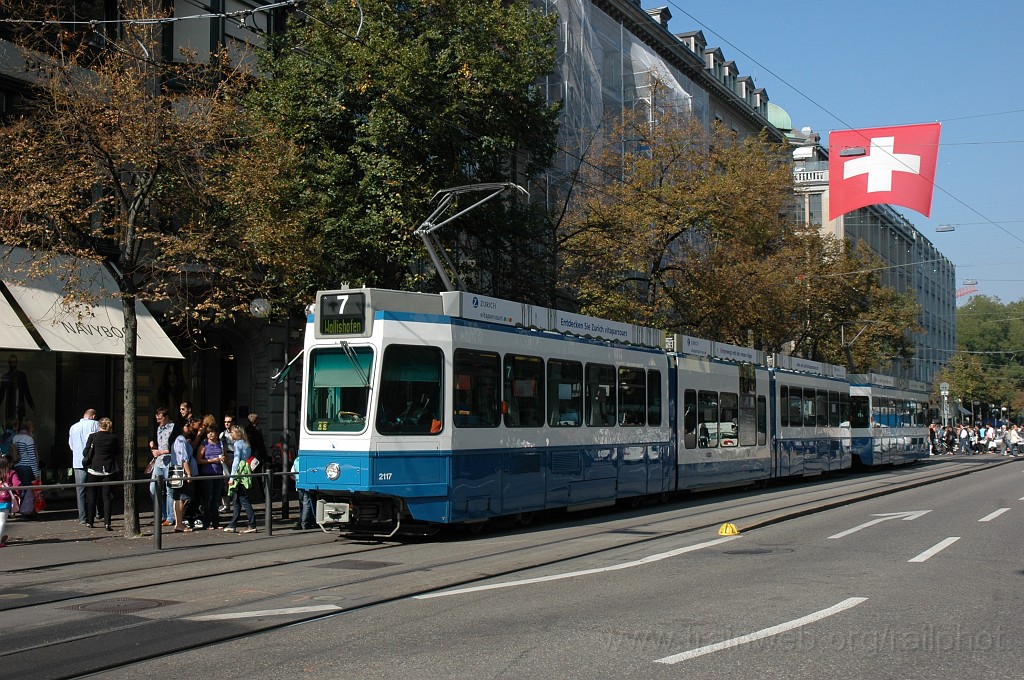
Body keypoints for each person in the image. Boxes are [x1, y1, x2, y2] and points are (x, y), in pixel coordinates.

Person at [83, 417, 120, 531]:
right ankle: (107, 523)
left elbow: (85, 452)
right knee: (106, 496)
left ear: (99, 425)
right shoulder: (113, 438)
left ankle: (90, 521)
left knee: (91, 495)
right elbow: (117, 452)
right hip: (108, 469)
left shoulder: (93, 436)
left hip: (94, 468)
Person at [69, 408, 99, 525]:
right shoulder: (96, 425)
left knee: (80, 490)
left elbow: (71, 445)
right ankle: (97, 512)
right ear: (93, 416)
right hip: (92, 461)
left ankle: (82, 517)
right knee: (94, 488)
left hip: (77, 461)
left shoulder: (73, 427)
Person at [149, 407, 179, 525]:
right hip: (159, 461)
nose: (158, 420)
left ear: (166, 417)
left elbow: (175, 447)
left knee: (169, 490)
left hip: (169, 461)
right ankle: (161, 514)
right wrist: (153, 445)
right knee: (153, 488)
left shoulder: (174, 428)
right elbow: (156, 441)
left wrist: (161, 452)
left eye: (160, 418)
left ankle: (170, 517)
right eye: (157, 418)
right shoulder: (158, 428)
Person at [224, 425, 257, 533]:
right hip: (246, 472)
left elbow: (236, 461)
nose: (231, 434)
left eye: (232, 432)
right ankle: (233, 524)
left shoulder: (238, 444)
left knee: (243, 499)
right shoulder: (246, 443)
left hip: (239, 473)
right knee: (237, 500)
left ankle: (252, 524)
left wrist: (232, 477)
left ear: (238, 433)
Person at [195, 428, 225, 530]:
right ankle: (207, 523)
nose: (210, 434)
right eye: (208, 432)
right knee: (208, 498)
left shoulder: (220, 444)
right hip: (208, 474)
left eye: (212, 432)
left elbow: (226, 457)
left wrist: (223, 459)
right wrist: (212, 460)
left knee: (217, 499)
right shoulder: (204, 444)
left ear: (217, 433)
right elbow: (199, 460)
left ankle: (216, 522)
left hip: (219, 474)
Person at [169, 422, 196, 533]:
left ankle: (179, 522)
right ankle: (179, 523)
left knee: (179, 497)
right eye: (186, 426)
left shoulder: (181, 440)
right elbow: (184, 458)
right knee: (181, 497)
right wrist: (189, 473)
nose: (189, 428)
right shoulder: (180, 439)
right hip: (181, 472)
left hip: (179, 471)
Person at [12, 421, 39, 519]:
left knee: (20, 488)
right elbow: (32, 457)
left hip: (17, 466)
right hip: (27, 467)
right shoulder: (28, 439)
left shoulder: (15, 437)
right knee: (28, 490)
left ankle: (19, 508)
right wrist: (36, 472)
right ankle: (26, 511)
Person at [0, 354, 35, 424]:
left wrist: (32, 406)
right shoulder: (6, 377)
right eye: (11, 362)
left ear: (16, 363)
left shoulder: (21, 375)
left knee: (19, 424)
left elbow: (26, 391)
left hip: (19, 406)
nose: (13, 364)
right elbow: (1, 394)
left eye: (14, 362)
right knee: (10, 425)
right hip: (10, 406)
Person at [0, 456, 21, 547]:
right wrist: (17, 493)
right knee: (1, 521)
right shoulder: (11, 473)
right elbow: (17, 485)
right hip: (5, 500)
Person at [218, 414, 237, 513]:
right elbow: (221, 447)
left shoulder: (236, 434)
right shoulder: (222, 434)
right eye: (225, 422)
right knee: (225, 482)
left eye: (228, 422)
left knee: (235, 481)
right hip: (225, 458)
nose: (227, 424)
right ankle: (226, 505)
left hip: (235, 457)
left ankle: (236, 503)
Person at [291, 454, 314, 530]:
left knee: (302, 504)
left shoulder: (296, 460)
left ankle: (302, 521)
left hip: (298, 484)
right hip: (306, 484)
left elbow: (292, 474)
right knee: (306, 504)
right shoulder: (309, 459)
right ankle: (304, 523)